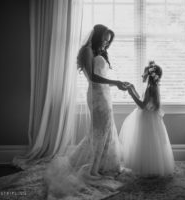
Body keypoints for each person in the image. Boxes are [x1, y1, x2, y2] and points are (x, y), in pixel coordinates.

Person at [44, 24, 132, 199]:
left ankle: (102, 165)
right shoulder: (86, 51)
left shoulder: (100, 52)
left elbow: (102, 76)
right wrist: (116, 83)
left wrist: (117, 85)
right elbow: (92, 77)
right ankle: (92, 168)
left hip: (105, 95)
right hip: (96, 97)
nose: (106, 44)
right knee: (99, 131)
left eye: (108, 41)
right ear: (97, 36)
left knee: (106, 131)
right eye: (104, 40)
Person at [119, 61, 175, 177]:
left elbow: (142, 105)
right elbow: (143, 100)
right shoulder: (152, 87)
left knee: (144, 143)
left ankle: (146, 167)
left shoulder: (150, 88)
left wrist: (130, 93)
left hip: (146, 119)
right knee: (151, 143)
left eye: (143, 73)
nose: (142, 75)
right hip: (151, 118)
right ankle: (151, 167)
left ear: (149, 75)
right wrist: (133, 88)